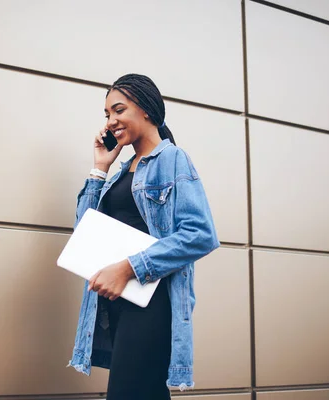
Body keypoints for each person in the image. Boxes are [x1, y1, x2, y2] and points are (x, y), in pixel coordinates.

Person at [68, 74, 219, 399]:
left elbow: (200, 234)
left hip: (151, 304)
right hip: (117, 304)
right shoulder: (122, 170)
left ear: (147, 109)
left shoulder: (171, 159)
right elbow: (84, 232)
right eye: (107, 114)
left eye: (118, 110)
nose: (111, 121)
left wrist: (128, 268)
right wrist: (100, 168)